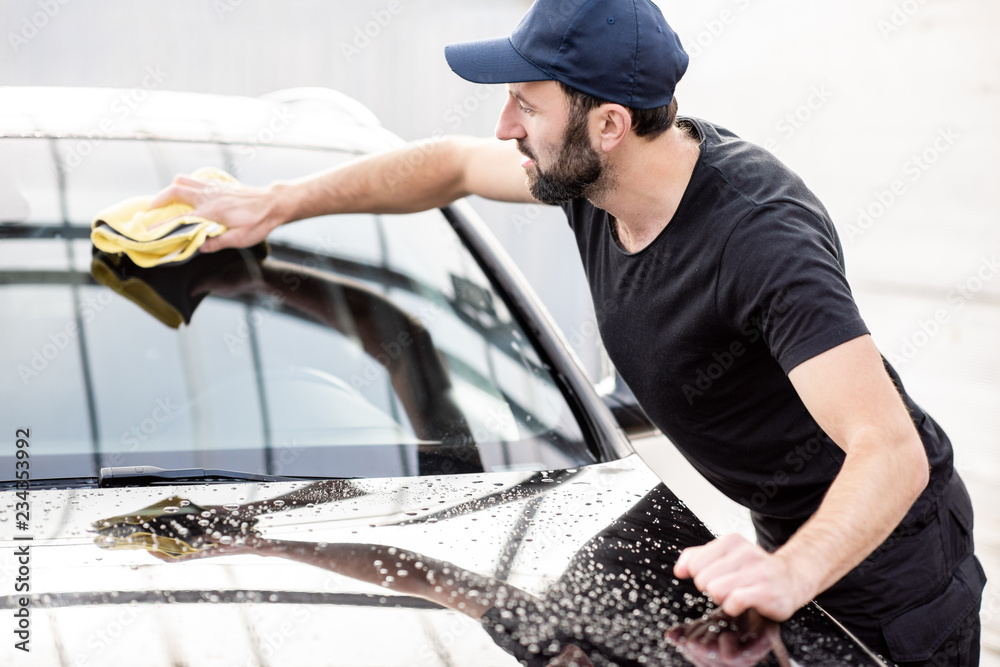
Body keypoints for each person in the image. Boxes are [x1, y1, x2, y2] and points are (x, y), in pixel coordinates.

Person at [150, 0, 985, 663]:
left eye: (526, 101)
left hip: (890, 576)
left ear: (609, 123)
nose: (507, 124)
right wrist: (281, 202)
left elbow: (890, 449)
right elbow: (444, 164)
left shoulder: (763, 242)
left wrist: (793, 570)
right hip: (777, 545)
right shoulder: (590, 183)